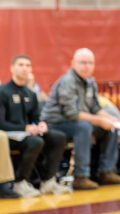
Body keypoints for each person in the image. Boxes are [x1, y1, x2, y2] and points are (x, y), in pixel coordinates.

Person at [42, 48, 120, 190]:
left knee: (110, 127)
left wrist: (108, 118)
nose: (87, 66)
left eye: (90, 63)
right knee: (84, 127)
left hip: (78, 122)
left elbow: (95, 107)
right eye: (83, 62)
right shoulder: (68, 81)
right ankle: (80, 176)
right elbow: (72, 114)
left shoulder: (90, 82)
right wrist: (99, 120)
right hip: (57, 123)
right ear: (73, 63)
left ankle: (106, 171)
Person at [0, 55, 70, 196]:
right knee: (35, 141)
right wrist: (24, 128)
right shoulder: (3, 92)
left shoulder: (30, 94)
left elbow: (36, 118)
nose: (24, 68)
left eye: (28, 65)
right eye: (21, 65)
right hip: (9, 134)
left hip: (27, 134)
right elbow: (1, 123)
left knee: (58, 137)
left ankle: (48, 181)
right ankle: (20, 182)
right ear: (12, 68)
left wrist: (41, 124)